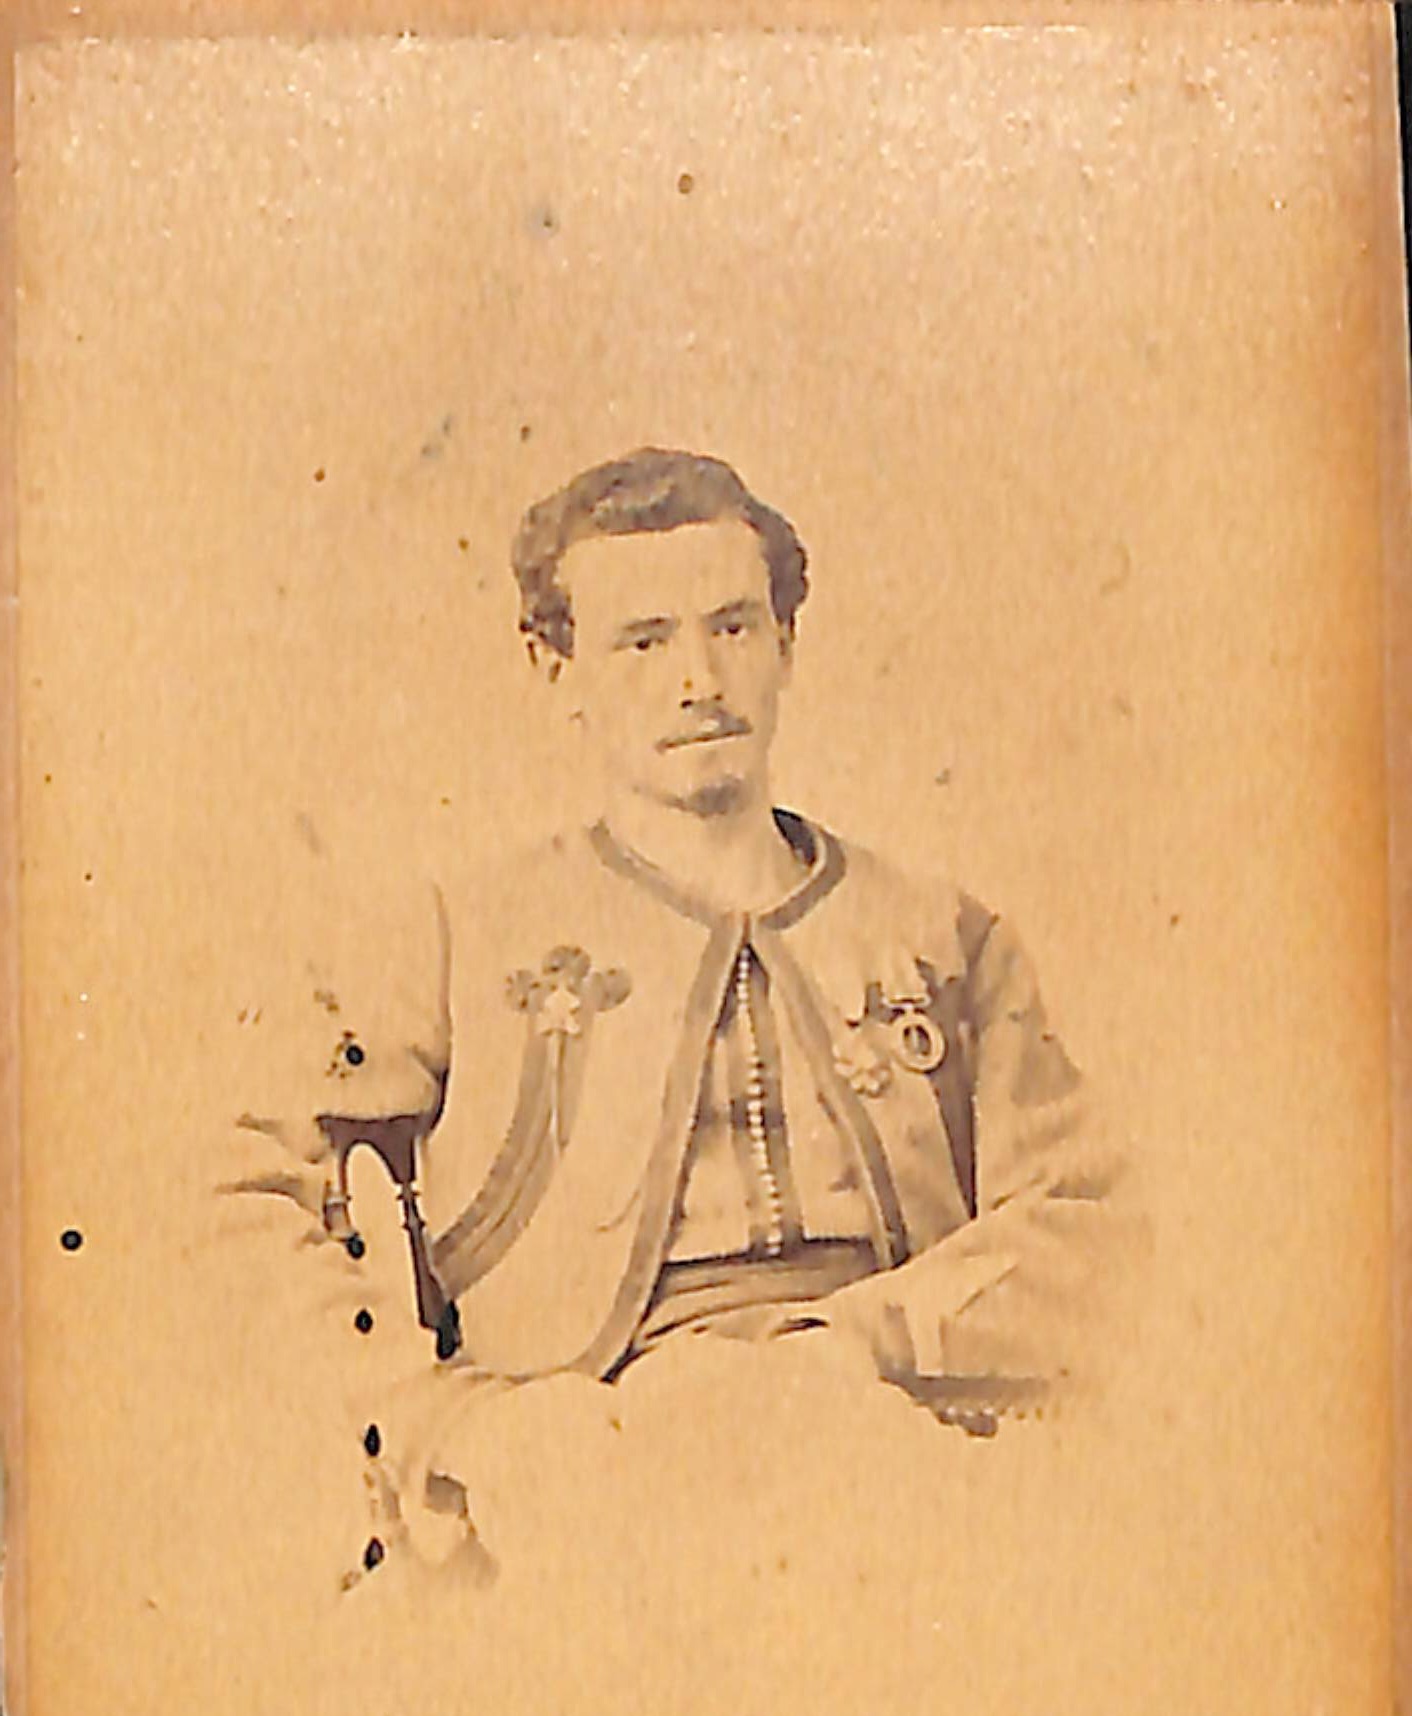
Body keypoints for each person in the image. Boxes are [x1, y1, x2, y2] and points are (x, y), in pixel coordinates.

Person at [221, 449, 1133, 1566]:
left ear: (786, 643)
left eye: (733, 627)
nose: (698, 679)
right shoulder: (460, 931)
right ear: (557, 669)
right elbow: (243, 1196)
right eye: (643, 642)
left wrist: (865, 1342)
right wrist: (438, 1419)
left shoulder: (941, 933)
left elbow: (1091, 1219)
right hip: (583, 1473)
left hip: (897, 1442)